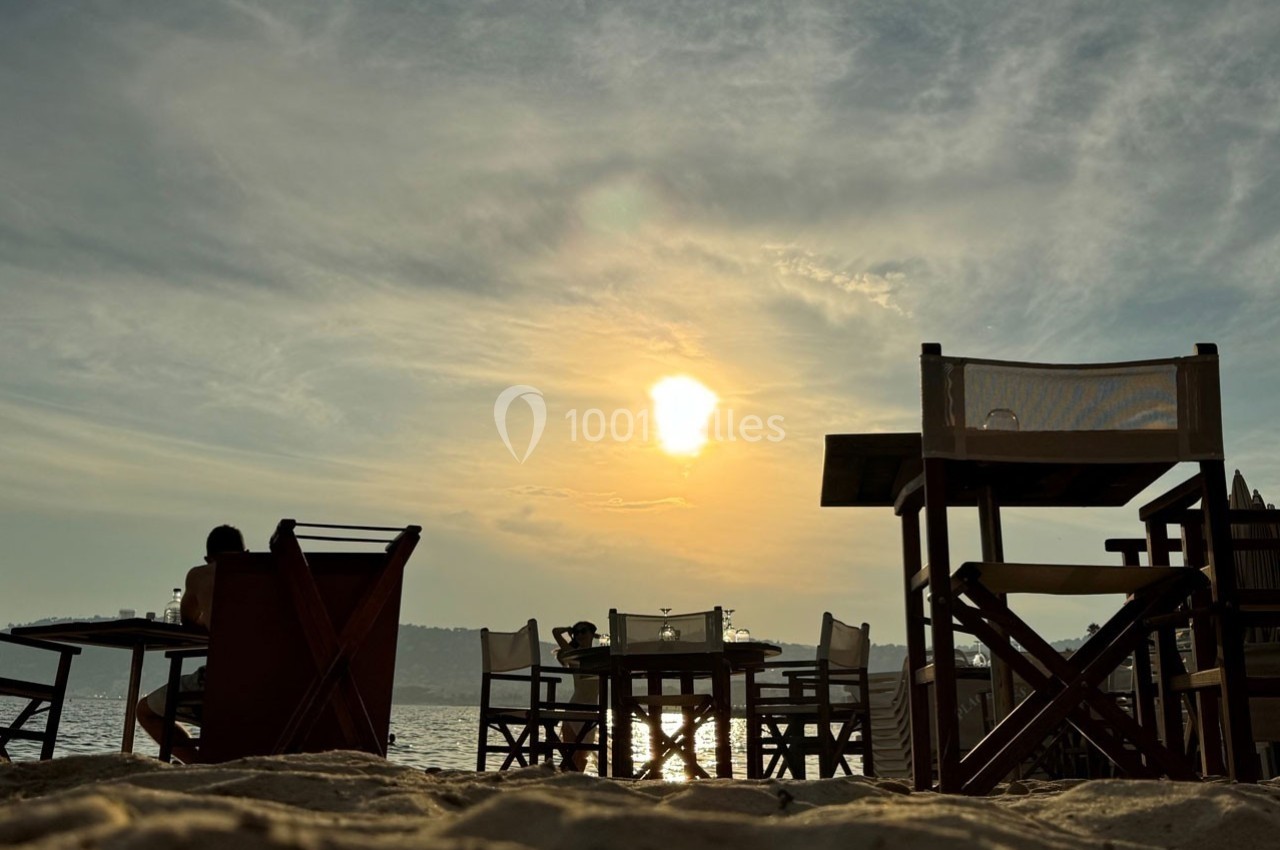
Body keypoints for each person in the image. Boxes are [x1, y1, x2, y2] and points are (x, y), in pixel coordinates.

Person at [135, 524, 247, 764]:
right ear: (246, 553)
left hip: (221, 682)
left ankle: (198, 765)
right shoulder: (273, 577)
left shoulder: (201, 575)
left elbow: (188, 620)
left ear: (208, 558)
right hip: (276, 686)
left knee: (144, 711)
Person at [551, 620, 600, 772]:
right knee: (571, 756)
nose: (579, 635)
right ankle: (561, 782)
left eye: (583, 631)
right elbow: (555, 631)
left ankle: (570, 785)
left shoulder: (600, 656)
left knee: (582, 757)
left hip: (591, 710)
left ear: (592, 634)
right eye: (576, 632)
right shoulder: (574, 654)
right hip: (575, 710)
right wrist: (568, 629)